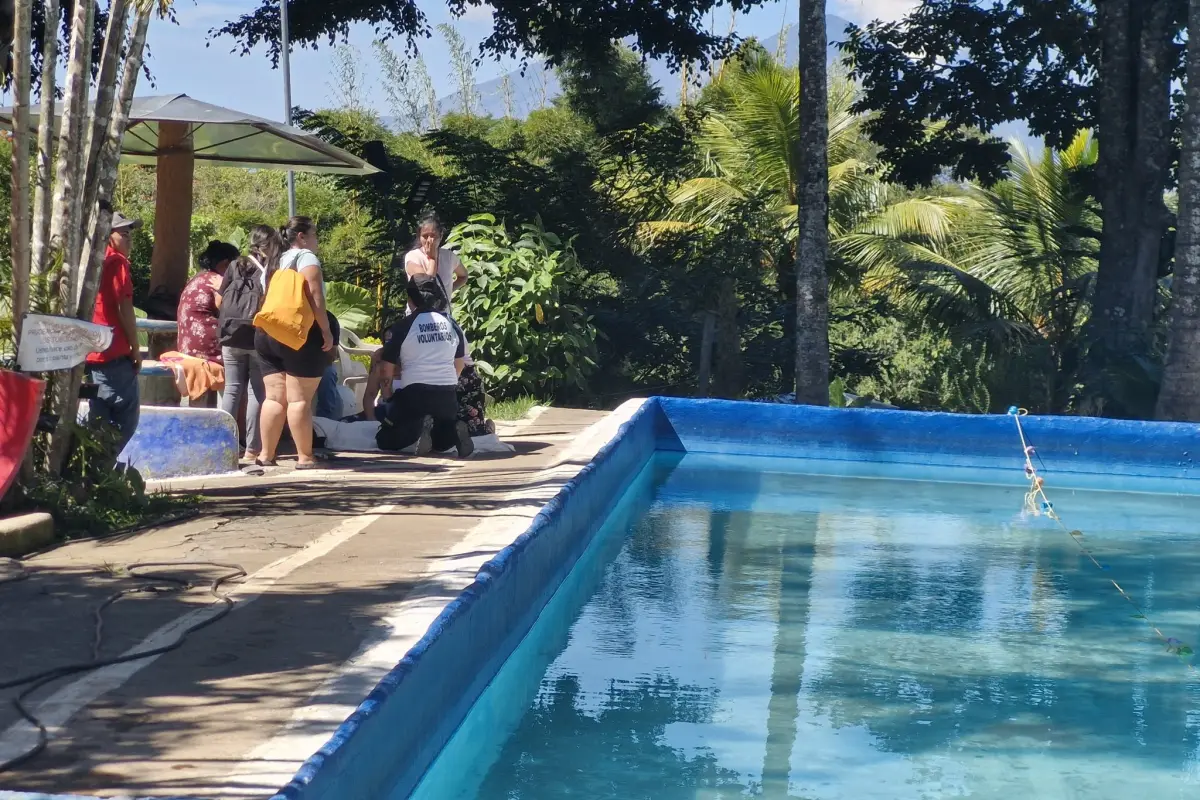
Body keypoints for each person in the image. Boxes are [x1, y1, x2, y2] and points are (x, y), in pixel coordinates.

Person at [254, 216, 339, 469]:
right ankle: (305, 457)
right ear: (301, 237)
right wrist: (326, 331)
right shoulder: (306, 258)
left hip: (267, 333)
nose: (317, 240)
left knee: (274, 398)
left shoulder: (273, 262)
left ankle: (266, 455)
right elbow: (315, 297)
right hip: (299, 335)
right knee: (299, 399)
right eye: (314, 234)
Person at [376, 274, 473, 458]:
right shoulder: (452, 325)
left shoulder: (402, 327)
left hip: (414, 396)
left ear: (410, 299)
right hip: (447, 396)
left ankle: (420, 429)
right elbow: (458, 365)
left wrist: (389, 398)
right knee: (441, 442)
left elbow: (385, 370)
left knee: (385, 439)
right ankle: (451, 431)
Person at [86, 211, 143, 455]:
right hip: (112, 352)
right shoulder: (117, 261)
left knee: (99, 418)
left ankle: (94, 472)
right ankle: (100, 471)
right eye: (124, 234)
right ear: (109, 237)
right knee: (126, 419)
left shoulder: (91, 261)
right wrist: (136, 348)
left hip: (91, 352)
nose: (129, 240)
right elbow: (124, 307)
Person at [218, 226, 276, 461]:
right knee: (256, 393)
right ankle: (253, 450)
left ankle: (223, 447)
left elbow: (219, 299)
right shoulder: (270, 269)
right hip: (256, 337)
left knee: (232, 390)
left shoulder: (235, 265)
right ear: (268, 244)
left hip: (231, 335)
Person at [177, 240, 240, 406]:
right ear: (226, 264)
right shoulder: (218, 281)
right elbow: (233, 312)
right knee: (246, 361)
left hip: (186, 346)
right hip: (205, 349)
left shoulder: (197, 279)